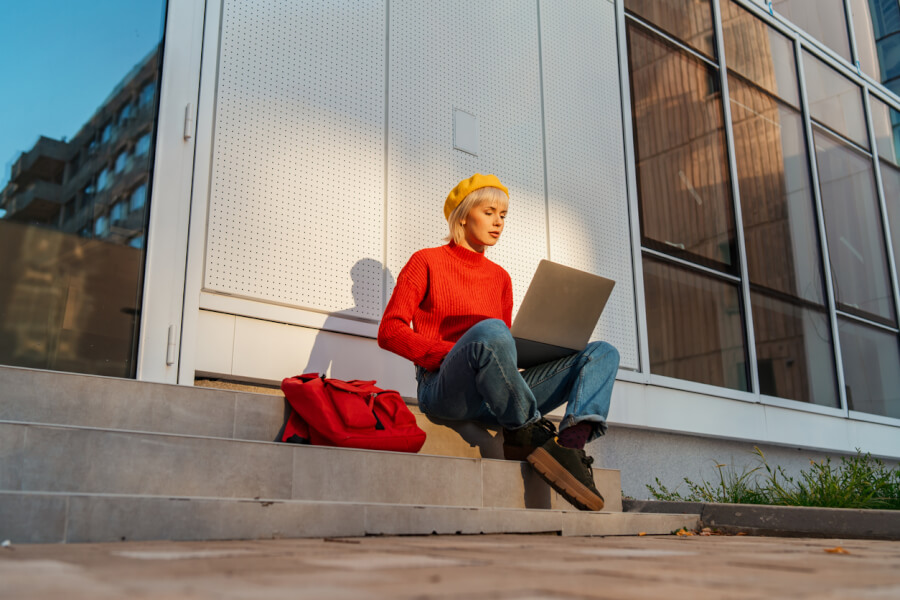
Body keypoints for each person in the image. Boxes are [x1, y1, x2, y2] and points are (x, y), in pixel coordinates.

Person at [377, 173, 619, 511]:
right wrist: (454, 353)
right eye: (489, 212)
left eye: (503, 215)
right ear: (464, 215)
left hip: (498, 395)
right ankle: (529, 431)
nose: (498, 222)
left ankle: (569, 446)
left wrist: (543, 351)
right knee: (492, 330)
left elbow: (502, 346)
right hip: (443, 388)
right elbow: (390, 331)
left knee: (602, 353)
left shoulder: (500, 278)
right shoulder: (426, 261)